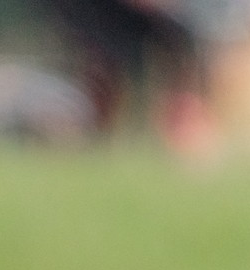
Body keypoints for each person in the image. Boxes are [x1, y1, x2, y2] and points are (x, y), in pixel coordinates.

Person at [43, 0, 220, 155]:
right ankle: (94, 138)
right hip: (105, 12)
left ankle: (185, 130)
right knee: (104, 65)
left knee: (182, 53)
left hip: (158, 16)